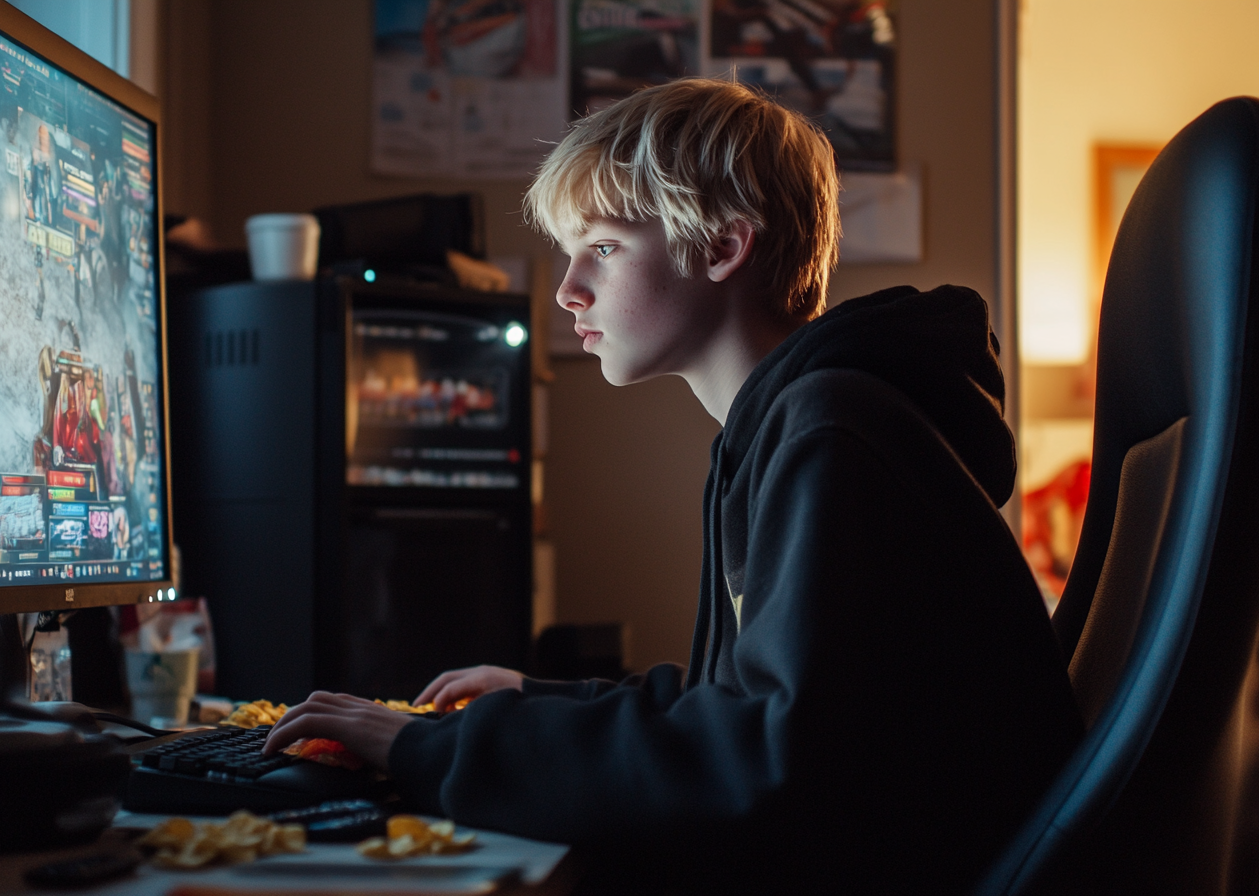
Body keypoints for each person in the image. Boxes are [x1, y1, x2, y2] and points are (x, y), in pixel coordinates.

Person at [263, 78, 1083, 893]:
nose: (567, 288)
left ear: (724, 247)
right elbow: (738, 704)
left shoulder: (831, 432)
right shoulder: (787, 424)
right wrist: (544, 698)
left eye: (605, 248)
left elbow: (762, 761)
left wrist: (425, 748)